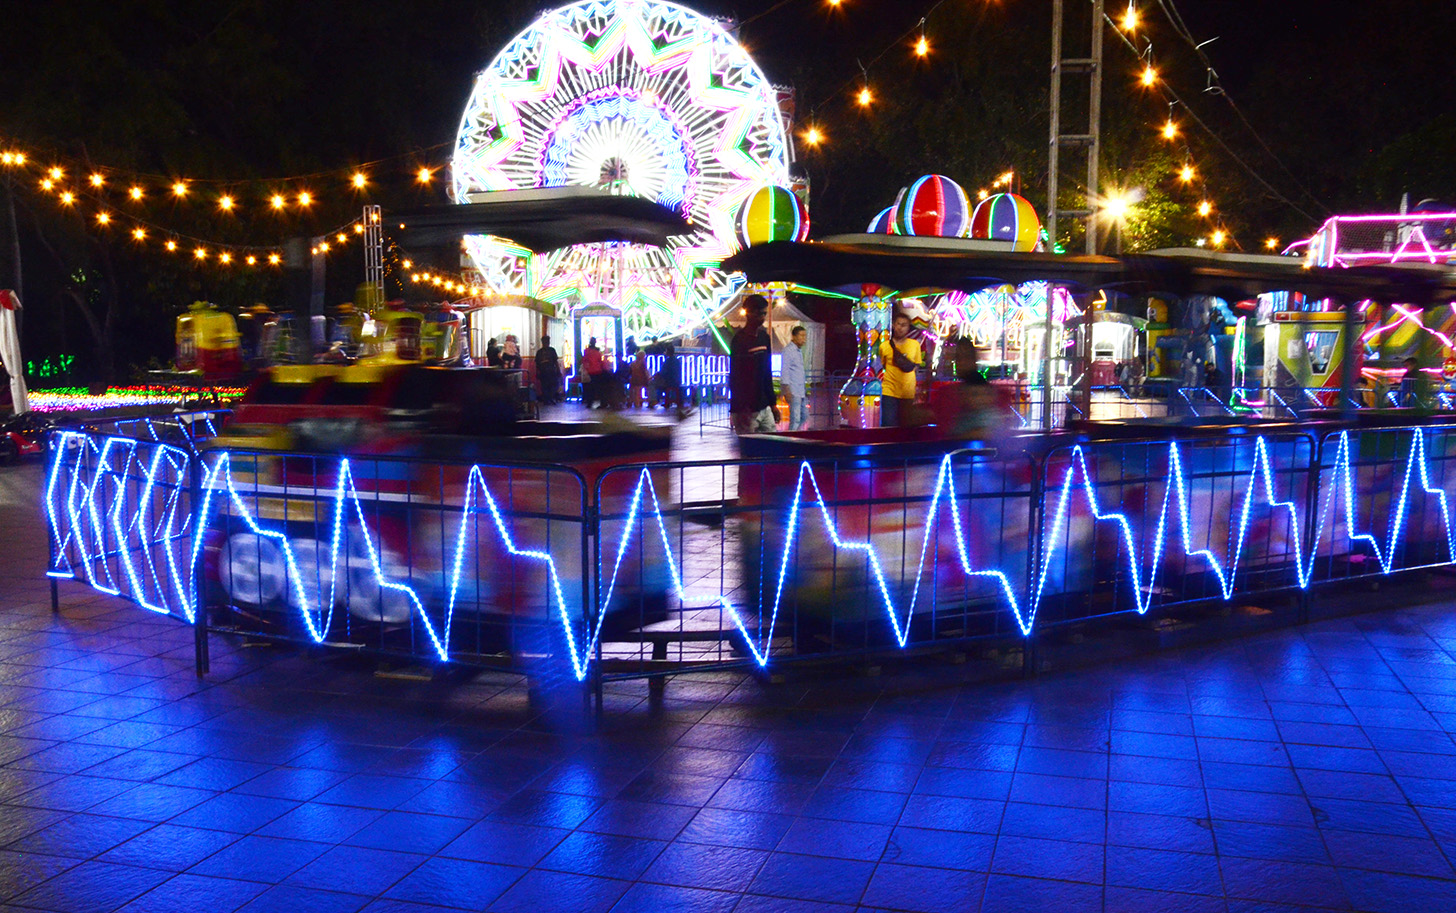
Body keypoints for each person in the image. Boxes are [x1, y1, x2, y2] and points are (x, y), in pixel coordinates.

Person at [932, 338, 1001, 439]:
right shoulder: (964, 414)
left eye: (966, 357)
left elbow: (987, 432)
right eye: (958, 359)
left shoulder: (990, 415)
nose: (961, 363)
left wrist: (958, 438)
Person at [730, 295, 777, 434]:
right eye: (760, 314)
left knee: (773, 446)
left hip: (763, 406)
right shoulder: (739, 340)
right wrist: (743, 407)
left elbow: (767, 372)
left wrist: (772, 403)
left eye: (764, 314)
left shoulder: (764, 338)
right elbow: (737, 376)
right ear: (749, 313)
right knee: (750, 449)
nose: (762, 318)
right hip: (746, 409)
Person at [878, 311, 923, 427]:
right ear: (893, 325)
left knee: (906, 426)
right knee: (888, 425)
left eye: (904, 325)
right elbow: (883, 365)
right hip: (889, 391)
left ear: (908, 328)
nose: (901, 328)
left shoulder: (915, 345)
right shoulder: (884, 346)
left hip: (908, 392)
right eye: (899, 324)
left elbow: (917, 364)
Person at [781, 324, 808, 431]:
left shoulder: (798, 351)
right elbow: (785, 370)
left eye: (805, 336)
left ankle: (796, 433)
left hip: (800, 390)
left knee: (804, 416)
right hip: (793, 390)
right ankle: (792, 437)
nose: (804, 339)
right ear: (794, 336)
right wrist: (787, 390)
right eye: (801, 336)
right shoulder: (788, 351)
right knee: (795, 418)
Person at [535, 335, 561, 405]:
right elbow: (555, 361)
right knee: (553, 385)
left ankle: (547, 399)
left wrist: (537, 372)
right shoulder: (552, 350)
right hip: (551, 371)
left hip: (543, 371)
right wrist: (558, 370)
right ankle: (549, 398)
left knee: (545, 386)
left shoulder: (539, 352)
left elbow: (537, 364)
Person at [582, 337, 605, 407]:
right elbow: (600, 361)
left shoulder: (587, 351)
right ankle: (599, 401)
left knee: (589, 387)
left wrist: (586, 368)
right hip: (597, 371)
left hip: (590, 371)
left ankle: (590, 402)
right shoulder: (597, 352)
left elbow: (584, 361)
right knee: (597, 387)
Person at [629, 342, 649, 408]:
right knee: (649, 385)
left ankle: (635, 401)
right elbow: (645, 373)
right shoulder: (643, 363)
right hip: (641, 380)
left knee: (635, 390)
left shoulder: (632, 363)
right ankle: (650, 401)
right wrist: (649, 377)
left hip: (633, 381)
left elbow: (630, 372)